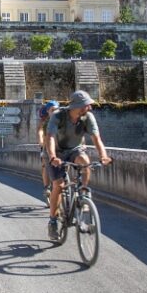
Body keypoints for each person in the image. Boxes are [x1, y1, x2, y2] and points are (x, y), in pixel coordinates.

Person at [45, 90, 112, 240]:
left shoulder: (87, 117)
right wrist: (52, 156)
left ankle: (82, 194)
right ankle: (53, 221)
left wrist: (103, 156)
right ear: (76, 106)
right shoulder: (58, 116)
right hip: (56, 152)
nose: (89, 108)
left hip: (75, 150)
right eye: (86, 105)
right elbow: (50, 137)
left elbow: (96, 139)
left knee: (85, 162)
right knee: (58, 185)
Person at [37, 100, 59, 204]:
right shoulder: (45, 120)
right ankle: (46, 187)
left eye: (56, 109)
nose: (55, 111)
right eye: (53, 110)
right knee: (45, 165)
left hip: (59, 145)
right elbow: (40, 130)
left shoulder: (61, 118)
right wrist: (41, 141)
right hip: (46, 145)